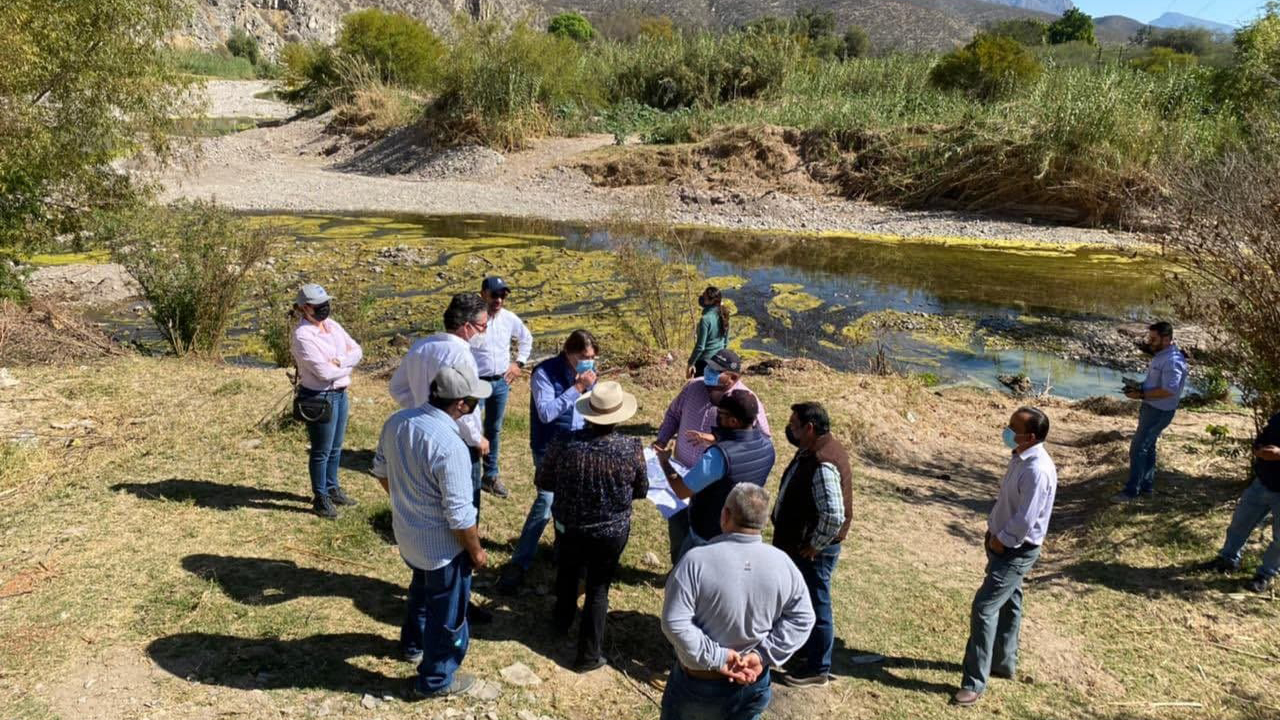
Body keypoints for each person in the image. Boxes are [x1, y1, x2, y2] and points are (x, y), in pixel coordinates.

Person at [371, 363, 492, 698]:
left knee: (420, 592)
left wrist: (407, 501)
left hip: (409, 535)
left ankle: (412, 645)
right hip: (443, 548)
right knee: (448, 611)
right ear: (462, 405)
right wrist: (476, 551)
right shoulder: (450, 446)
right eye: (473, 401)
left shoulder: (397, 422)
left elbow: (380, 470)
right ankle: (436, 680)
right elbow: (459, 515)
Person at [660, 484, 815, 720]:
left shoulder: (696, 561)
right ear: (764, 521)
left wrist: (718, 657)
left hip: (699, 687)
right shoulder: (783, 564)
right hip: (754, 685)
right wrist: (763, 655)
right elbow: (803, 618)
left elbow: (674, 622)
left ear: (725, 515)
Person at [535, 381, 648, 672]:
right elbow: (641, 489)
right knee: (598, 588)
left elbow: (543, 480)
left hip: (569, 526)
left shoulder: (563, 443)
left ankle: (560, 623)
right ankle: (588, 655)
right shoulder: (631, 448)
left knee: (567, 573)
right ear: (619, 416)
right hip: (611, 531)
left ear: (587, 413)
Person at [954, 407, 1058, 707]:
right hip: (1001, 541)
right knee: (1010, 601)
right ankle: (1003, 662)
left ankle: (973, 683)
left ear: (1032, 436)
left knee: (984, 608)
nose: (1007, 430)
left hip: (1015, 549)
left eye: (1013, 427)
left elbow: (1026, 519)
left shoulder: (1037, 470)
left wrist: (1002, 541)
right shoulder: (1020, 457)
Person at [496, 329, 599, 595]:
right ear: (569, 352)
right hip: (550, 448)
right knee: (546, 502)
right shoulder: (544, 373)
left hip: (579, 445)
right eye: (584, 356)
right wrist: (576, 388)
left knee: (574, 501)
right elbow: (546, 413)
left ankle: (564, 552)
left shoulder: (590, 375)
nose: (589, 362)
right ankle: (520, 562)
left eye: (592, 357)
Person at [653, 349, 771, 564]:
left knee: (703, 542)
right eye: (708, 367)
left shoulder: (746, 403)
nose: (707, 373)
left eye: (715, 371)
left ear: (733, 378)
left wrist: (714, 438)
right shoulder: (693, 387)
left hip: (711, 488)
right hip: (681, 472)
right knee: (679, 528)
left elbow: (757, 440)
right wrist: (662, 440)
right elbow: (673, 415)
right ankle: (678, 564)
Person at [770, 402, 853, 688]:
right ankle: (806, 653)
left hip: (813, 551)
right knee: (803, 600)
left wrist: (815, 545)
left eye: (793, 425)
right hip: (801, 545)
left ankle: (818, 667)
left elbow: (833, 515)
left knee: (816, 605)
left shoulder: (822, 461)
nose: (789, 429)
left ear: (809, 428)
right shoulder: (814, 450)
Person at [389, 293, 490, 510]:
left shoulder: (421, 346)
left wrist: (419, 407)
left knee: (429, 493)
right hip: (457, 438)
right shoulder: (462, 356)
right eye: (482, 326)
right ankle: (466, 543)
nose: (484, 332)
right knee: (463, 501)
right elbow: (465, 408)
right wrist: (476, 439)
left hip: (422, 432)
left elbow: (397, 388)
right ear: (466, 326)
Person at [290, 283, 363, 519]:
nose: (325, 308)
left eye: (326, 303)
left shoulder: (332, 325)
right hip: (319, 397)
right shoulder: (302, 336)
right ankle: (320, 497)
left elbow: (358, 351)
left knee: (336, 446)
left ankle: (332, 488)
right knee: (321, 450)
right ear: (304, 308)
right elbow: (323, 373)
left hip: (340, 393)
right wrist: (345, 364)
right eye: (318, 305)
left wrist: (339, 362)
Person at [1192, 410, 1280, 593]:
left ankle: (1265, 574)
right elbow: (1264, 435)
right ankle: (1228, 560)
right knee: (1239, 524)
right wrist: (1259, 448)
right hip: (1263, 482)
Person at [470, 276, 533, 500]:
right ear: (483, 293)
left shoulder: (509, 319)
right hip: (475, 383)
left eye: (502, 295)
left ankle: (490, 475)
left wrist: (519, 363)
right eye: (494, 294)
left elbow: (527, 339)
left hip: (500, 383)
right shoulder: (472, 319)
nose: (499, 299)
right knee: (470, 428)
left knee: (493, 430)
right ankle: (468, 472)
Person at [1113, 322, 1189, 503]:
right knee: (1148, 446)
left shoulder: (1172, 360)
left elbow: (1169, 390)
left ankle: (1131, 491)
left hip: (1159, 411)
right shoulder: (1162, 355)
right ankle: (1146, 486)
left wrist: (1141, 394)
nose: (1150, 342)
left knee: (1138, 448)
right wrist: (1139, 387)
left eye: (1153, 339)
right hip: (1151, 407)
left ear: (1167, 339)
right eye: (1150, 338)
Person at [687, 287, 729, 378]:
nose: (701, 298)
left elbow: (700, 347)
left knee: (701, 390)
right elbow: (725, 342)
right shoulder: (724, 314)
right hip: (719, 360)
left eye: (704, 296)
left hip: (705, 363)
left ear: (711, 301)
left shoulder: (705, 319)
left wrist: (690, 363)